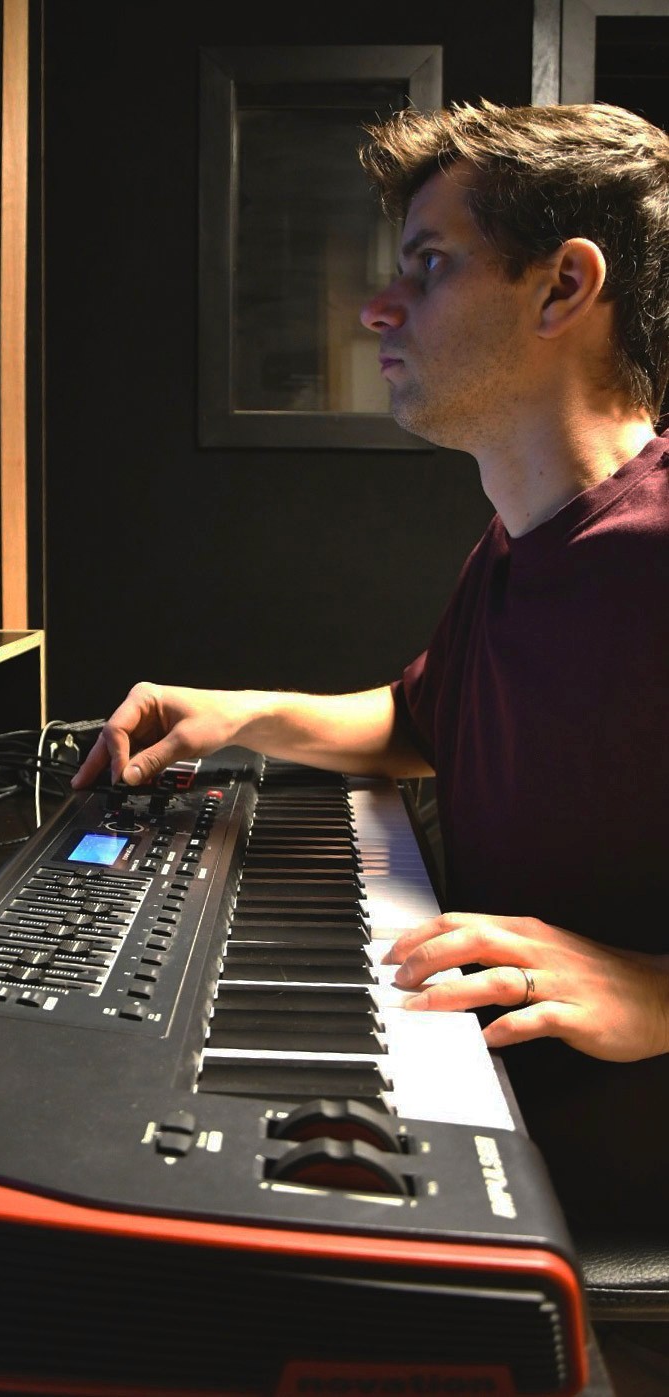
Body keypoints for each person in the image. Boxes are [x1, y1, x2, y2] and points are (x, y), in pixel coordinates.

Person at [72, 100, 669, 1228]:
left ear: (562, 287)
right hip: (491, 1079)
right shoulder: (517, 539)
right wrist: (236, 713)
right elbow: (419, 720)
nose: (375, 307)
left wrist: (654, 990)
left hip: (607, 1181)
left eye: (429, 266)